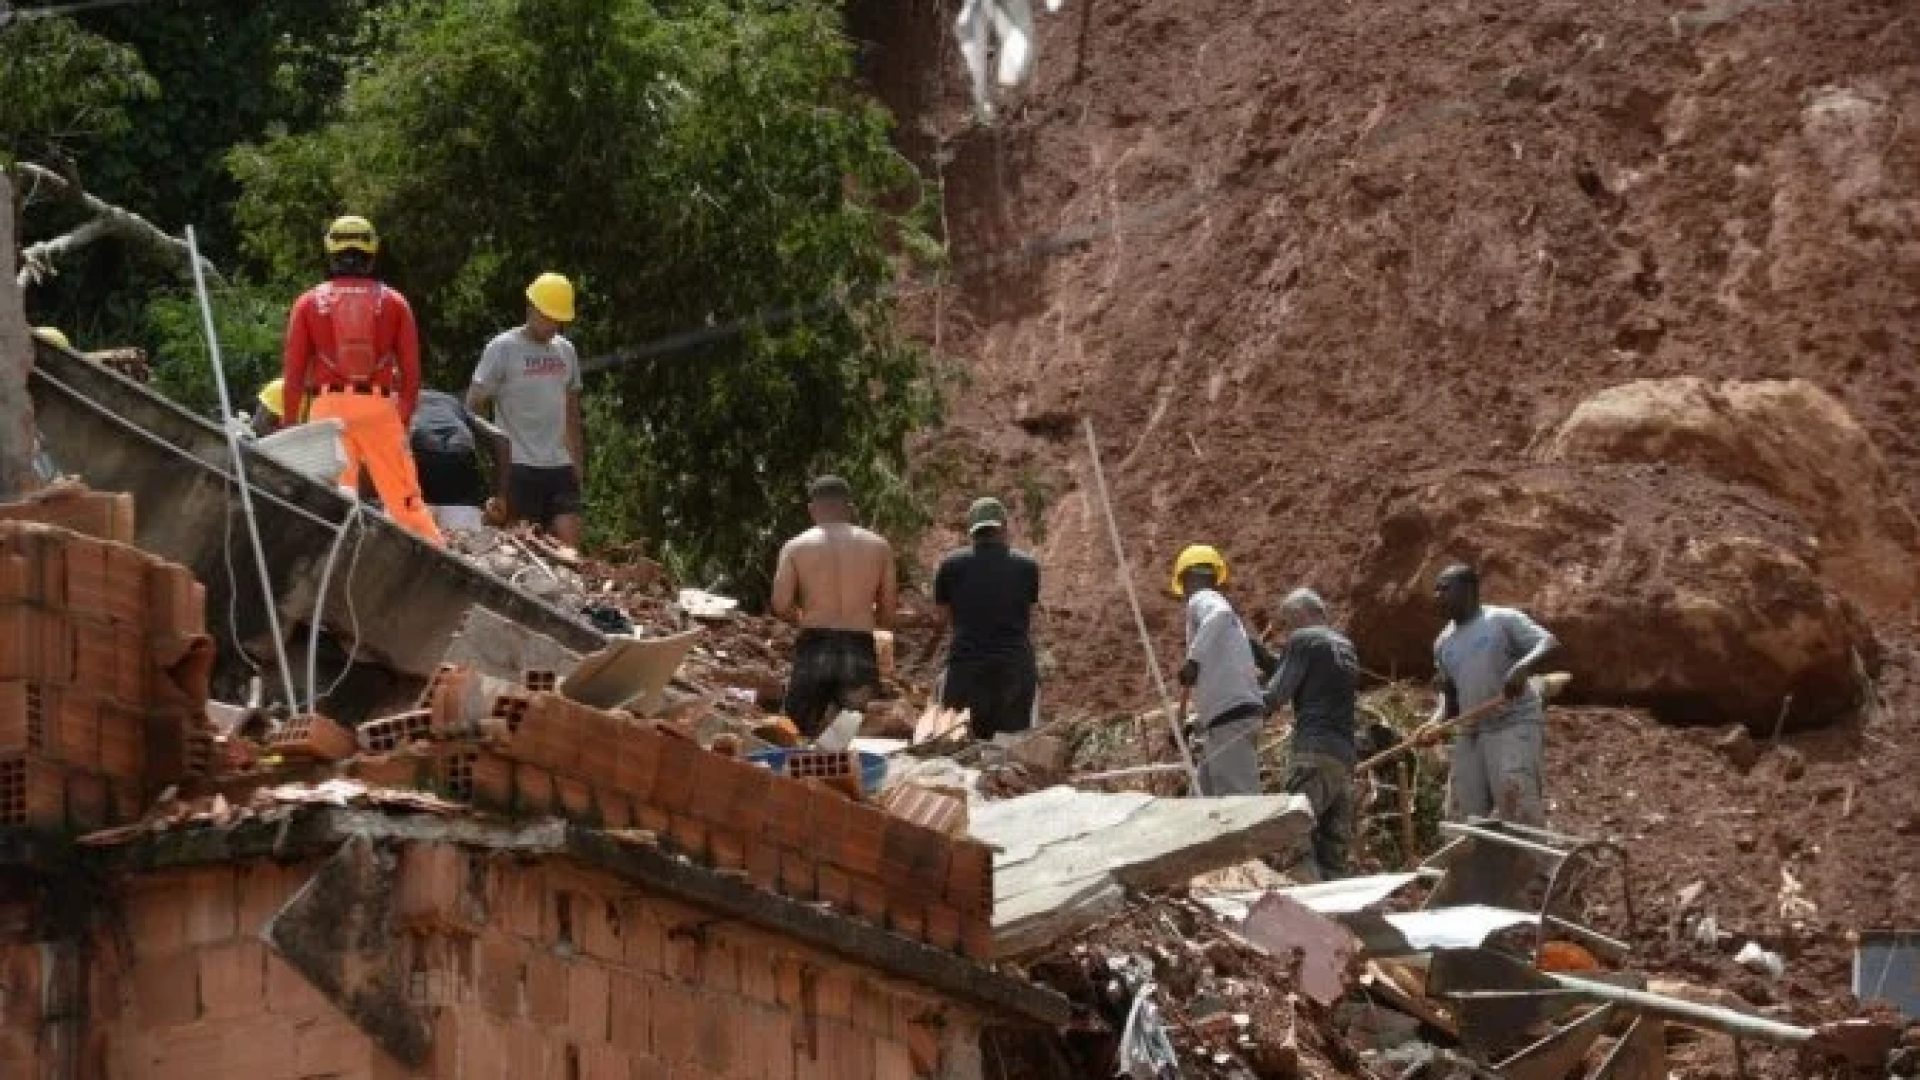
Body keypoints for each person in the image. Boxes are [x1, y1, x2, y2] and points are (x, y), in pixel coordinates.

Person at [281, 215, 442, 544]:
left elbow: (294, 375)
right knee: (405, 502)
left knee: (331, 499)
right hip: (379, 406)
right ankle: (437, 562)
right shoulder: (395, 303)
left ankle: (328, 559)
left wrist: (289, 425)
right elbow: (411, 374)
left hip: (327, 407)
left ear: (331, 253)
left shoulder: (308, 303)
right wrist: (401, 418)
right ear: (372, 254)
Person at [1423, 564, 1559, 825]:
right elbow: (1450, 698)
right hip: (1471, 732)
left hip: (1512, 723)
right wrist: (1435, 723)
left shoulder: (1501, 620)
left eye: (1444, 588)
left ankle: (1538, 864)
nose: (1437, 595)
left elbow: (1548, 643)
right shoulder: (1443, 643)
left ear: (1469, 590)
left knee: (1516, 804)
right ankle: (1472, 866)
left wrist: (1521, 667)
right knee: (1460, 816)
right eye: (1435, 590)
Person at [770, 475, 897, 737]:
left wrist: (804, 614)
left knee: (796, 733)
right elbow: (887, 613)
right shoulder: (879, 547)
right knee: (851, 736)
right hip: (859, 645)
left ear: (812, 509)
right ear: (849, 508)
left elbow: (780, 604)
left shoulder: (795, 546)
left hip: (814, 644)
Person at [468, 273, 585, 548]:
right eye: (547, 317)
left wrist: (577, 464)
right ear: (530, 308)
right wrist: (494, 458)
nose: (553, 325)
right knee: (519, 548)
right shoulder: (502, 349)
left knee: (569, 550)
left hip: (559, 466)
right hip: (517, 467)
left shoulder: (566, 352)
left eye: (558, 319)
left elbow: (571, 411)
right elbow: (473, 406)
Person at [1262, 588, 1359, 881]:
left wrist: (1247, 711)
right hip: (1342, 754)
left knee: (1296, 829)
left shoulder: (1303, 639)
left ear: (1298, 615)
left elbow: (1276, 694)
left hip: (1312, 750)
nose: (1288, 629)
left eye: (1288, 621)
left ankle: (1308, 908)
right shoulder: (1344, 646)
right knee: (1332, 845)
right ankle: (1339, 912)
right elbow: (1313, 679)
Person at [927, 496, 1040, 740]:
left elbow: (941, 618)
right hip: (1013, 669)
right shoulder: (1027, 566)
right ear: (1003, 526)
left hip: (966, 669)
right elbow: (1028, 617)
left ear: (972, 530)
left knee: (961, 748)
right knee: (1008, 752)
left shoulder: (950, 566)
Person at [1173, 544, 1267, 796]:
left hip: (1230, 719)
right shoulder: (1226, 633)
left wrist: (1193, 660)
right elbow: (1221, 678)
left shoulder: (1202, 599)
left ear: (1186, 578)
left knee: (1240, 803)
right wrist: (1193, 722)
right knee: (1203, 799)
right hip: (1226, 719)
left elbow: (1219, 613)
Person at [410, 388, 508, 535]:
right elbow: (501, 439)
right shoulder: (450, 402)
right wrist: (500, 496)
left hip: (419, 456)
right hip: (461, 460)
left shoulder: (390, 400)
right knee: (464, 543)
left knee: (413, 542)